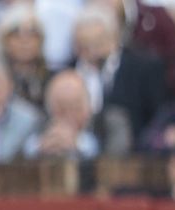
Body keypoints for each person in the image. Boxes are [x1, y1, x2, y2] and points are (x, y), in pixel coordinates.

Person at [70, 4, 167, 147]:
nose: (91, 52)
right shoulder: (68, 72)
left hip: (131, 156)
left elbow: (156, 118)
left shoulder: (143, 68)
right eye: (83, 46)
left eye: (97, 43)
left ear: (114, 37)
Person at [24, 68, 102, 158]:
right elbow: (28, 148)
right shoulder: (36, 128)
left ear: (87, 108)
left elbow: (99, 150)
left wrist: (76, 145)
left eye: (75, 108)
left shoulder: (103, 126)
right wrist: (42, 148)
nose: (69, 116)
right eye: (62, 109)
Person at [0, 4, 51, 110]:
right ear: (4, 41)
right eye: (16, 34)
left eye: (32, 34)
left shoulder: (53, 80)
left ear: (41, 40)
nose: (25, 41)